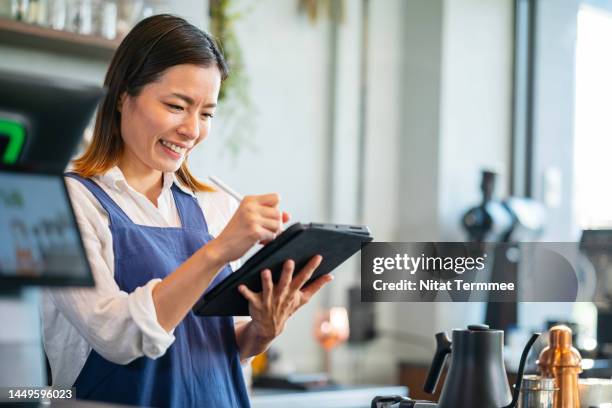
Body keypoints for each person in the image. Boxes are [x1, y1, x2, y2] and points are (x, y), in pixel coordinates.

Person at [41, 14, 333, 407]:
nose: (193, 129)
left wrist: (261, 331)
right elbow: (117, 336)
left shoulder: (215, 205)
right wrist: (218, 251)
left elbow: (212, 347)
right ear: (123, 96)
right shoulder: (63, 205)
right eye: (177, 106)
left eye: (207, 113)